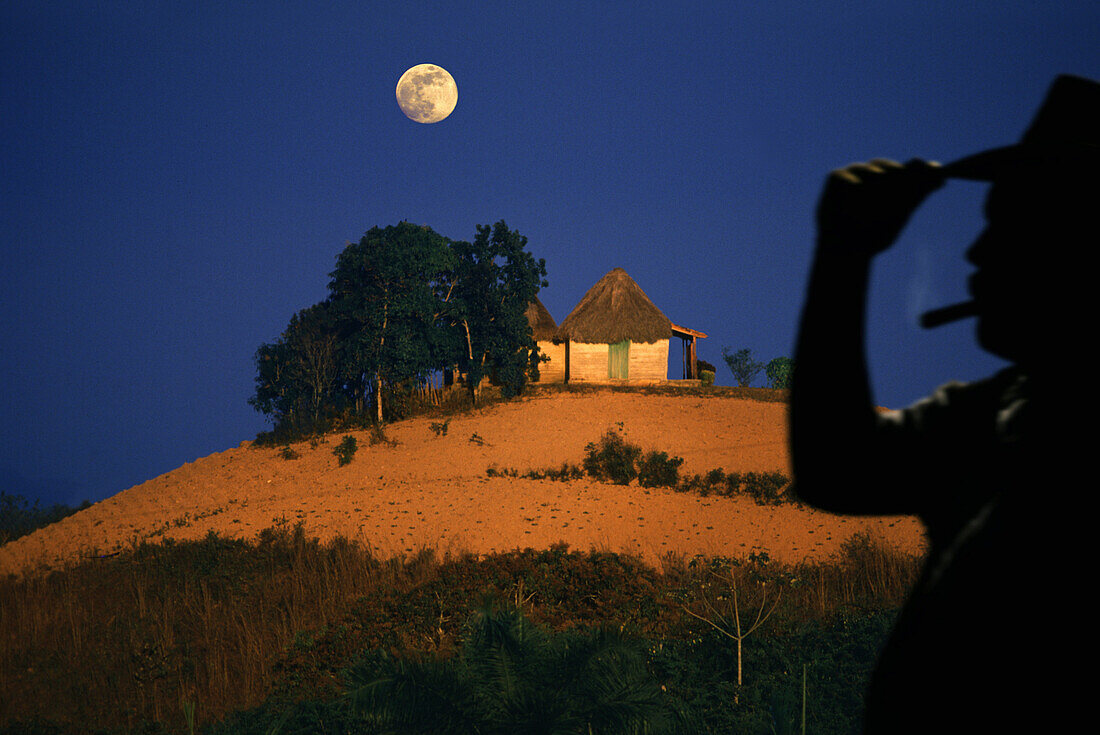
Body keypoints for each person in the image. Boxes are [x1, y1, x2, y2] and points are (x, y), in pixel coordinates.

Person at [790, 74, 1098, 733]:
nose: (978, 251)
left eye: (1017, 224)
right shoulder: (989, 416)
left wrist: (844, 255)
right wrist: (844, 253)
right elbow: (836, 466)